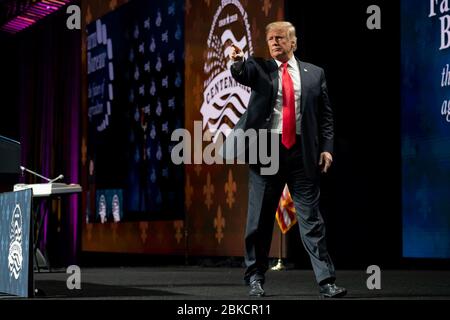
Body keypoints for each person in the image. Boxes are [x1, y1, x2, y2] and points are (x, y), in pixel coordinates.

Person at [228, 21, 346, 298]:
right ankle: (255, 277)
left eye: (280, 38)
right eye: (270, 38)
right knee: (258, 221)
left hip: (301, 154)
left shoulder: (315, 74)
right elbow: (242, 72)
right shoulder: (260, 68)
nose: (274, 42)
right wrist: (236, 61)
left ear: (293, 42)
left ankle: (326, 281)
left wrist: (327, 148)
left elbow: (326, 115)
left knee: (311, 220)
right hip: (266, 151)